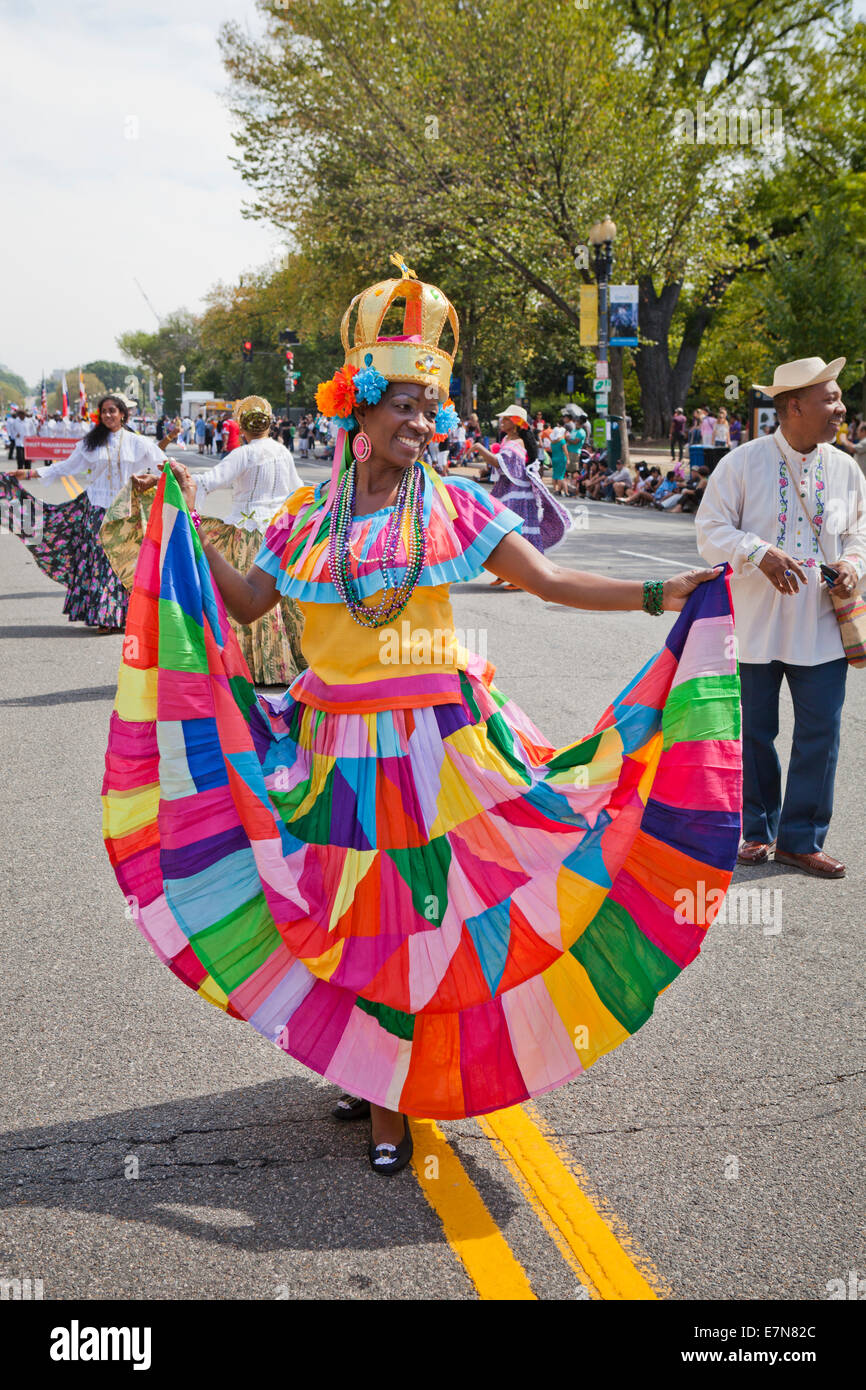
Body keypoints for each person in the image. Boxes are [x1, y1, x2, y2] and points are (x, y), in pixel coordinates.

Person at [102, 256, 741, 1177]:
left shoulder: (452, 504)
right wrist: (179, 530)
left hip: (434, 748)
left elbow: (553, 582)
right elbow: (247, 607)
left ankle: (396, 1100)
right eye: (402, 404)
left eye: (427, 407)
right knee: (349, 918)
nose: (421, 422)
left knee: (422, 919)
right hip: (334, 748)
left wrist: (660, 592)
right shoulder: (301, 519)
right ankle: (368, 1070)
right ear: (357, 410)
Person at [696, 356, 866, 878]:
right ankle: (755, 830)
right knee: (755, 732)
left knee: (822, 732)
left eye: (838, 399)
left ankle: (801, 840)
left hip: (821, 629)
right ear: (794, 406)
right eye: (830, 399)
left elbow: (859, 531)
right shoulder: (742, 463)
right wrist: (757, 552)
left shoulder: (845, 468)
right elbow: (709, 531)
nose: (841, 409)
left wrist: (854, 565)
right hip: (754, 627)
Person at [104, 395, 307, 686]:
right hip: (277, 536)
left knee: (244, 597)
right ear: (270, 422)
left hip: (246, 532)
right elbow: (298, 491)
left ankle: (248, 666)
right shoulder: (283, 451)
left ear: (242, 426)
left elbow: (207, 481)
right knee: (275, 600)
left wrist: (169, 478)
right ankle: (280, 666)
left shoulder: (244, 453)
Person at [0, 394, 173, 633]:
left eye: (113, 410)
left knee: (124, 563)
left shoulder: (138, 443)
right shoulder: (91, 443)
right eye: (104, 412)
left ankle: (126, 616)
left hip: (126, 511)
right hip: (96, 509)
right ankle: (105, 617)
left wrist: (160, 477)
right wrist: (27, 474)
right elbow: (65, 467)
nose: (108, 415)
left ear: (123, 414)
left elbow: (163, 465)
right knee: (101, 562)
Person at [471, 405, 572, 588]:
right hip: (507, 492)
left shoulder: (517, 443)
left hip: (519, 497)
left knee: (517, 536)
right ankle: (505, 572)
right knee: (502, 533)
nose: (502, 421)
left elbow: (499, 463)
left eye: (506, 419)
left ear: (516, 424)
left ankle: (521, 577)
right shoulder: (508, 439)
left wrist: (479, 448)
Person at [549, 424, 569, 494]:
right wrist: (568, 459)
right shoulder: (562, 441)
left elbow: (551, 450)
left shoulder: (552, 442)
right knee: (561, 475)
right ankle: (559, 490)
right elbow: (565, 451)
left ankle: (555, 489)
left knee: (554, 474)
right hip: (561, 458)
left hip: (554, 458)